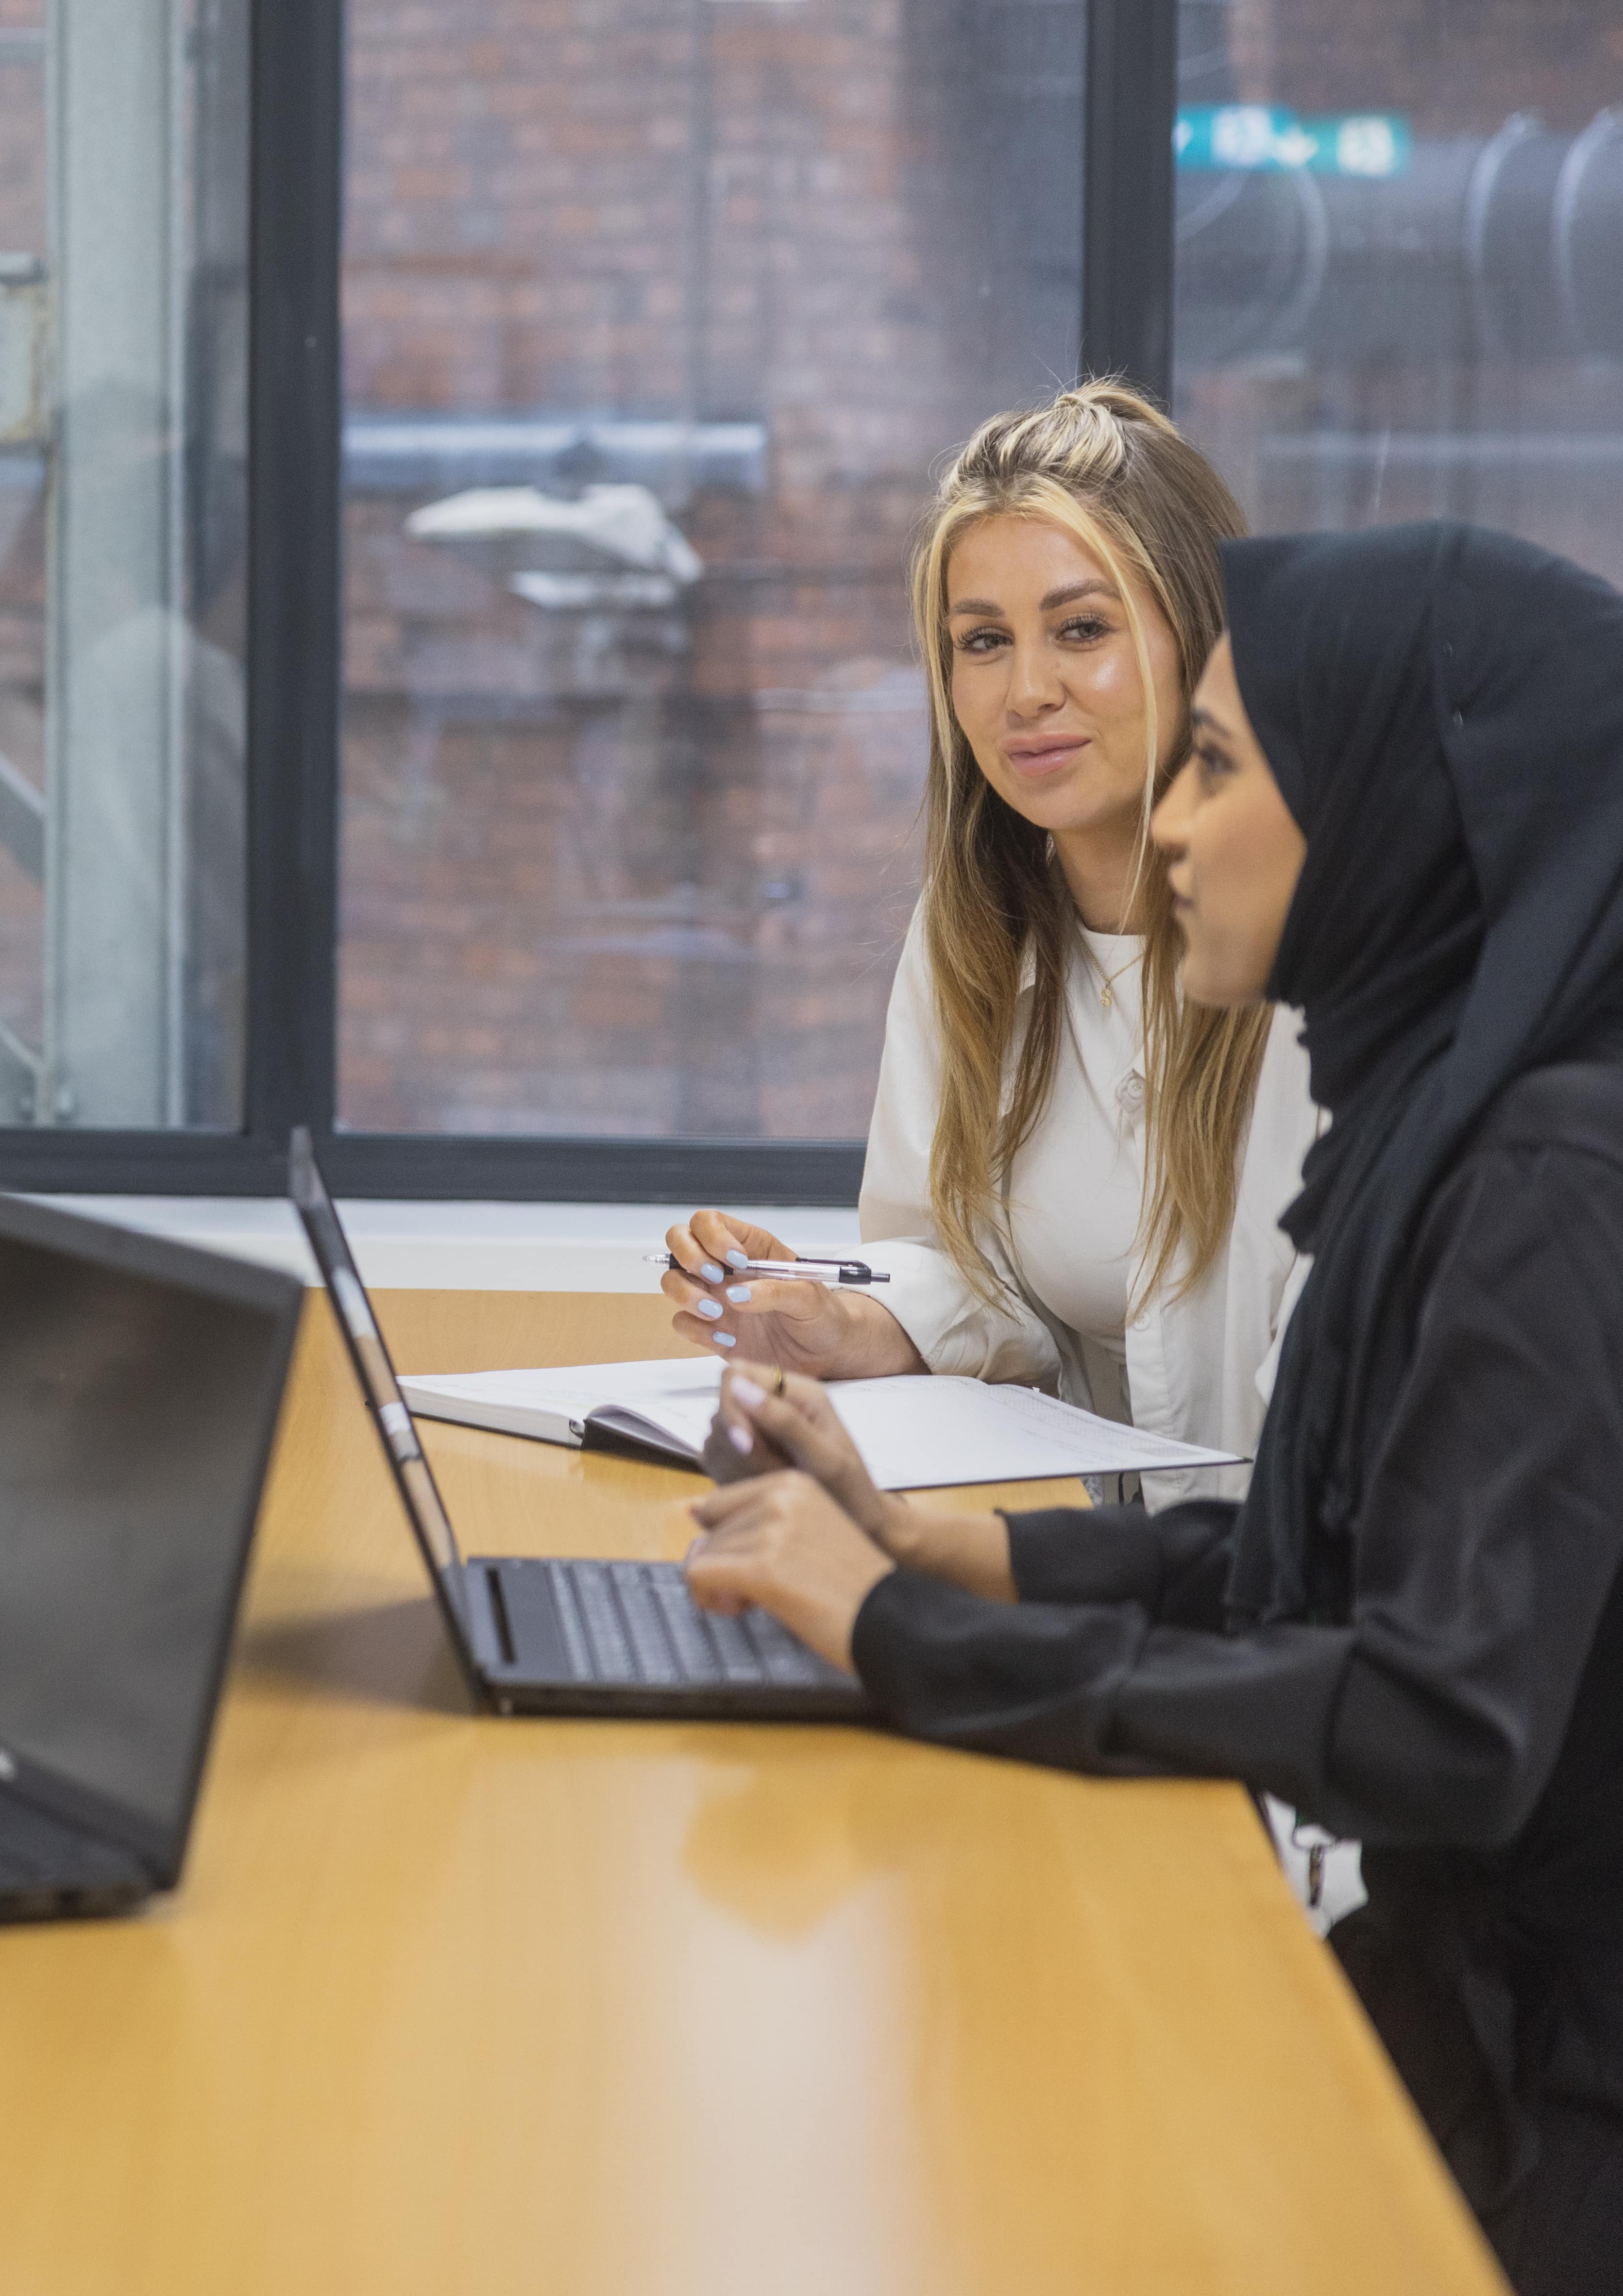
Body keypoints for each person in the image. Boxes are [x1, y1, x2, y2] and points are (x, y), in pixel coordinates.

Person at [682, 522, 1623, 2291]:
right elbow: (1314, 1561)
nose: (1169, 824)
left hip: (1556, 2107)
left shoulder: (1560, 1173)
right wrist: (945, 1555)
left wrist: (904, 1637)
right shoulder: (1442, 1124)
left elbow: (1437, 1717)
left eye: (1217, 761)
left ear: (1389, 802)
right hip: (1465, 2022)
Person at [660, 383, 1313, 1495]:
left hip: (1307, 1597)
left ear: (1197, 638)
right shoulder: (971, 933)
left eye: (1080, 629)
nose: (1025, 691)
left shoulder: (1323, 938)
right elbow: (986, 1279)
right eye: (980, 641)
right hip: (1126, 1583)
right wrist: (850, 1318)